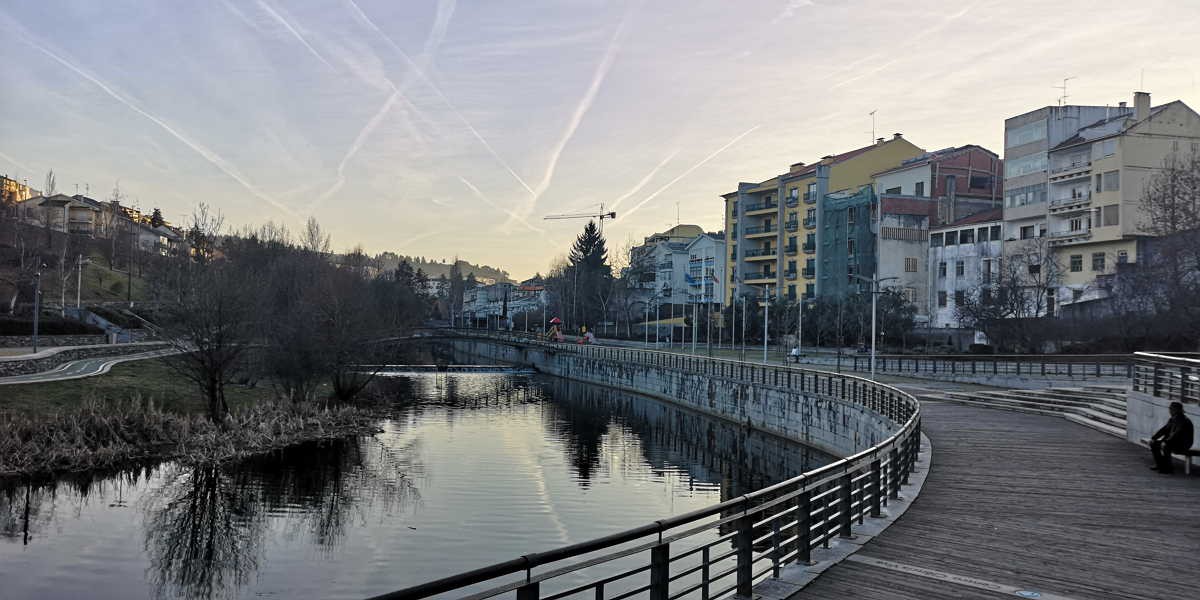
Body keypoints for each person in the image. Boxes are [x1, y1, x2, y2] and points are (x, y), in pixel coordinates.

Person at [1150, 402, 1194, 474]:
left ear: (1177, 410)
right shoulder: (1173, 419)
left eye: (1171, 409)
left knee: (1166, 446)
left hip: (1183, 444)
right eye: (1170, 408)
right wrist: (1154, 438)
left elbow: (1177, 434)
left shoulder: (1182, 420)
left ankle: (1168, 468)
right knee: (1154, 444)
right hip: (1174, 441)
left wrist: (1166, 441)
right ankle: (1160, 465)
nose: (1170, 410)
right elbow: (1164, 429)